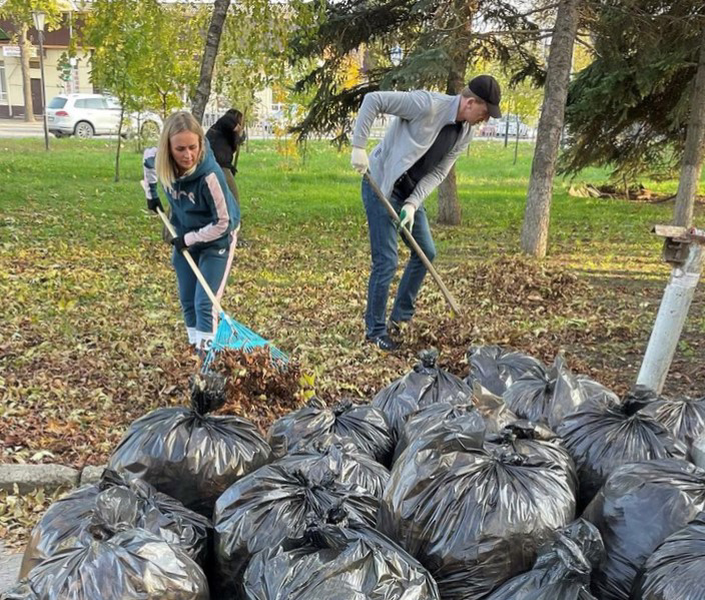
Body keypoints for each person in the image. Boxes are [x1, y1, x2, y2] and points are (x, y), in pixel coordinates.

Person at [350, 75, 501, 351]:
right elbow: (374, 100)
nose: (486, 119)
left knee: (426, 252)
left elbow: (440, 171)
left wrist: (412, 203)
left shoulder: (465, 132)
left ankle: (400, 317)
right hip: (380, 186)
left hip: (408, 195)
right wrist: (359, 147)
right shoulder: (426, 104)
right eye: (485, 112)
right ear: (470, 102)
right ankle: (375, 330)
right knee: (386, 261)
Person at [142, 111, 240, 355]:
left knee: (205, 303)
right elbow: (148, 164)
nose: (188, 155)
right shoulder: (157, 158)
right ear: (168, 148)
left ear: (200, 143)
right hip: (185, 233)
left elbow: (224, 222)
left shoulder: (210, 176)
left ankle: (206, 364)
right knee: (187, 299)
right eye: (180, 149)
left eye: (193, 147)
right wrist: (151, 196)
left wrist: (189, 239)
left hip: (218, 238)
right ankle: (197, 349)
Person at [205, 108, 245, 207]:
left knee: (222, 194)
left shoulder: (225, 132)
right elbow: (227, 120)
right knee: (233, 193)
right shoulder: (227, 120)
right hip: (218, 164)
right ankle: (235, 218)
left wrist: (240, 136)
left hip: (218, 163)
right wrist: (237, 128)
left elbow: (236, 141)